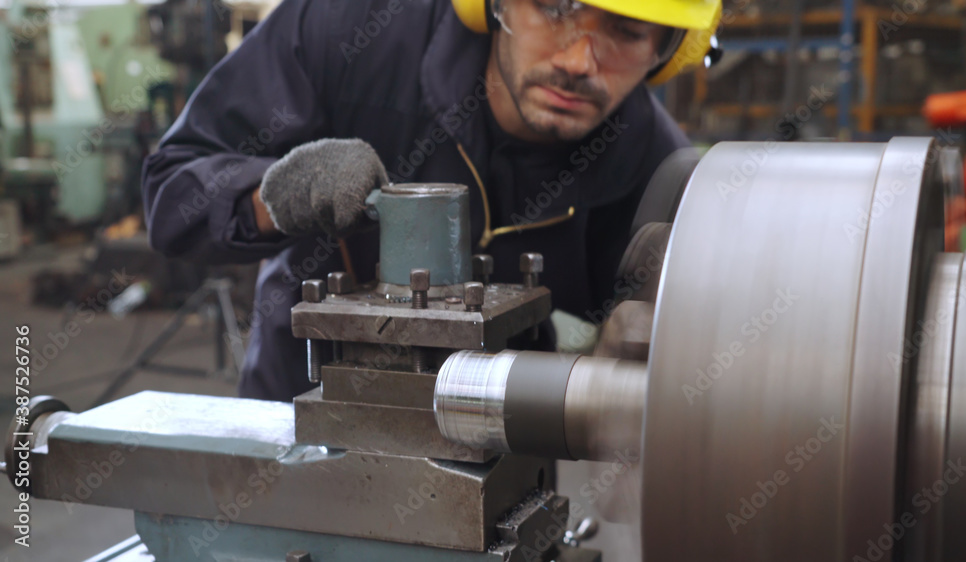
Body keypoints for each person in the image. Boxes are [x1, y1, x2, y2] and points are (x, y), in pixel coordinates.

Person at [142, 0, 721, 402]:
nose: (577, 61)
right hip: (299, 413)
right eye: (554, 6)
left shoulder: (659, 177)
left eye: (626, 29)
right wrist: (278, 196)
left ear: (670, 48)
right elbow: (172, 196)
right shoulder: (350, 32)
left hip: (499, 461)